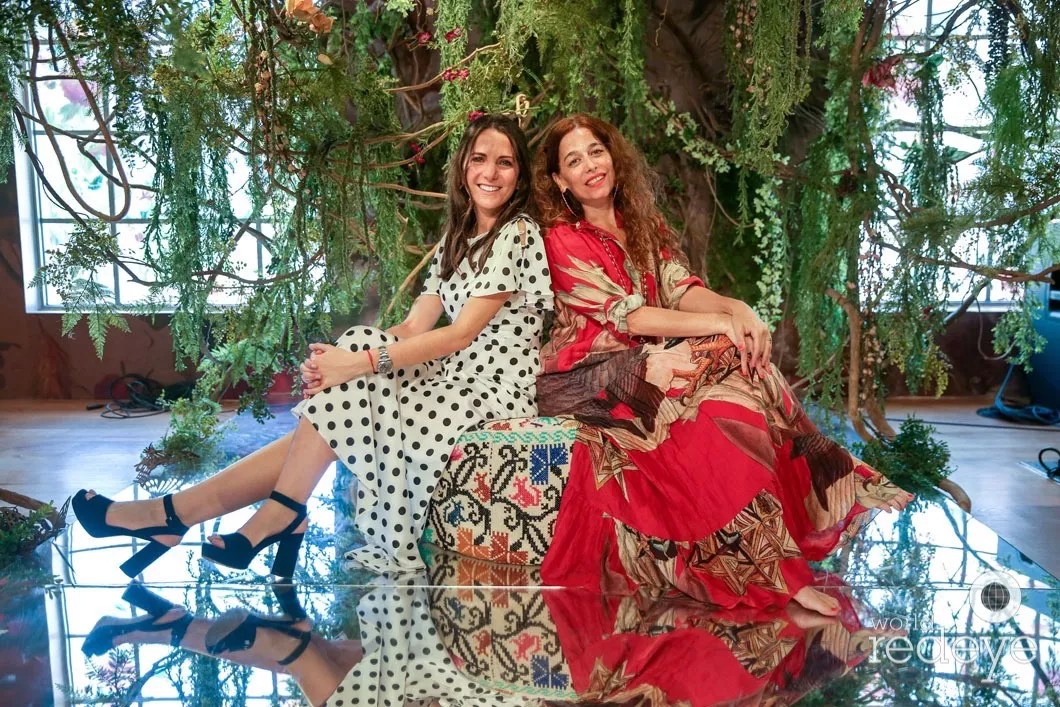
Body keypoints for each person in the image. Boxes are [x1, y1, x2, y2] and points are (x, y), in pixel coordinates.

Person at [71, 113, 553, 578]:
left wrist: (358, 364)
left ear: (520, 176)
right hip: (451, 381)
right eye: (479, 159)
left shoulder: (518, 233)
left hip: (491, 392)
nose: (490, 173)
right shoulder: (459, 235)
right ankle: (257, 511)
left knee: (350, 380)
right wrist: (343, 360)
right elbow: (412, 326)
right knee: (352, 359)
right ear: (463, 165)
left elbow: (459, 334)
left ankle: (195, 514)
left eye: (505, 162)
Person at [531, 114, 914, 615]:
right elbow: (630, 316)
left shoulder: (640, 224)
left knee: (732, 389)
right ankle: (815, 508)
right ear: (560, 180)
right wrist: (721, 324)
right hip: (590, 376)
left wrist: (739, 310)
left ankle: (787, 541)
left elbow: (680, 288)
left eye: (596, 152)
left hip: (649, 361)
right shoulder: (562, 238)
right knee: (722, 355)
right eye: (574, 161)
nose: (590, 166)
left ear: (613, 156)